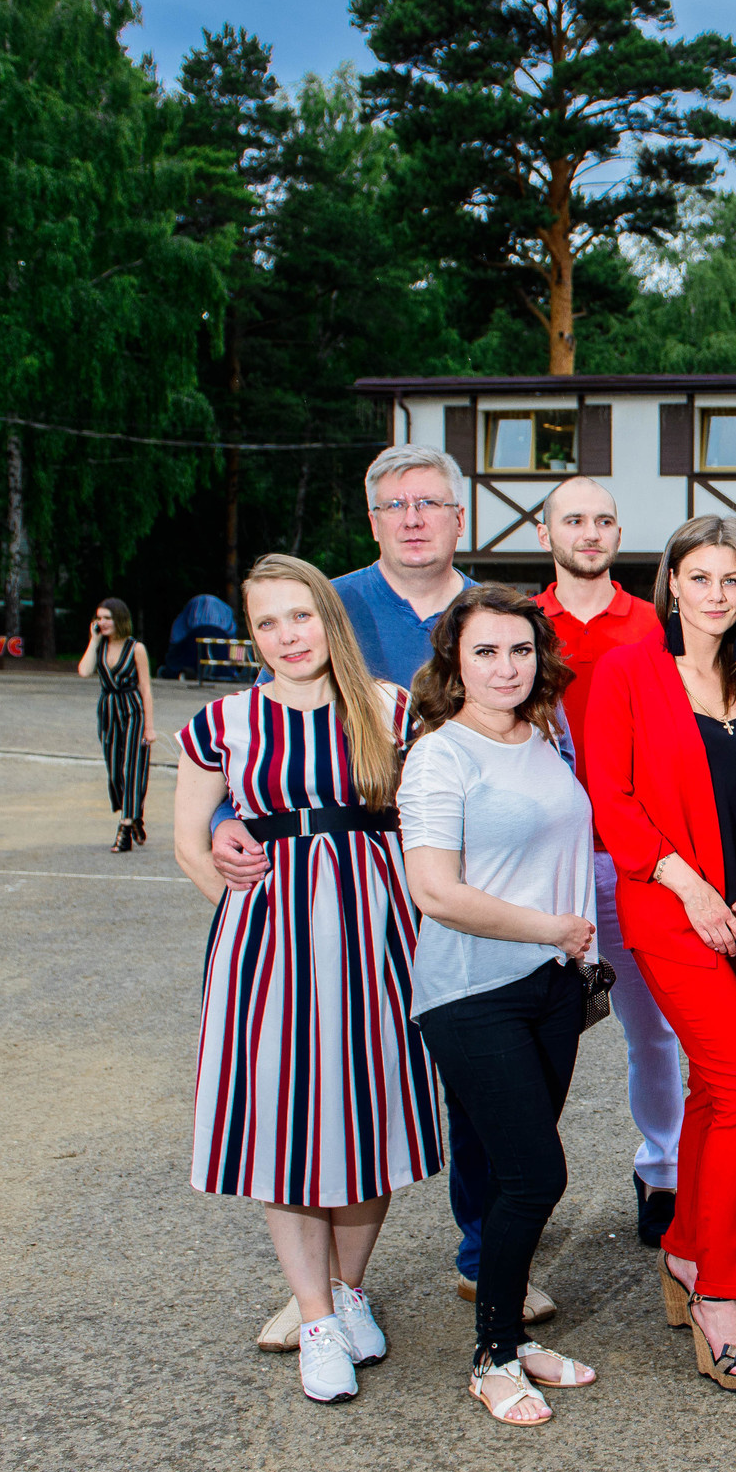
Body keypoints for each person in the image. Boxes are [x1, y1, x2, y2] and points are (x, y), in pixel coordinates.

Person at [210, 446, 538, 1353]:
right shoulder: (335, 600)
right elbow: (264, 746)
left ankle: (487, 1249)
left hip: (461, 883)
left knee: (476, 1079)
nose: (414, 517)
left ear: (459, 517)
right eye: (395, 504)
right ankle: (318, 1295)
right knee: (329, 1088)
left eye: (431, 501)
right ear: (372, 520)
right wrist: (221, 828)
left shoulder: (494, 613)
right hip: (350, 897)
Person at [170, 554, 439, 1405]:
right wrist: (259, 926)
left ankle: (350, 1291)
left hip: (379, 943)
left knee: (366, 1125)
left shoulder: (393, 712)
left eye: (302, 616)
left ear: (331, 618)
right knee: (288, 1133)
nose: (289, 635)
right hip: (270, 954)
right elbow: (187, 840)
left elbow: (433, 822)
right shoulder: (223, 723)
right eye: (269, 622)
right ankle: (316, 1317)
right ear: (252, 635)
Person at [587, 515, 736, 1393]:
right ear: (670, 584)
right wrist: (697, 891)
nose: (715, 595)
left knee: (715, 1087)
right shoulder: (631, 668)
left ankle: (681, 1251)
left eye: (731, 581)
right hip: (670, 912)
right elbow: (612, 795)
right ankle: (721, 1295)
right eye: (699, 578)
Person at [399, 587, 602, 1426]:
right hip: (473, 992)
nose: (505, 666)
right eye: (485, 652)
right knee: (534, 1174)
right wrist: (550, 924)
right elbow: (434, 890)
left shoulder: (545, 735)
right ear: (455, 663)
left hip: (552, 989)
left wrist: (563, 944)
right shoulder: (441, 755)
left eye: (519, 649)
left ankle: (509, 1335)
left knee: (509, 1176)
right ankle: (490, 1359)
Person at [531, 476, 687, 1251]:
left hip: (631, 857)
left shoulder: (654, 624)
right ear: (545, 532)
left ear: (618, 533)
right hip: (543, 866)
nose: (589, 532)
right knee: (532, 1035)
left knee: (653, 1031)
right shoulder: (522, 624)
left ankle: (661, 1171)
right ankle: (520, 1194)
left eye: (602, 520)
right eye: (573, 519)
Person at [77, 597, 155, 852]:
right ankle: (135, 816)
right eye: (99, 618)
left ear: (119, 619)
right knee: (114, 771)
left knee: (133, 767)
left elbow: (146, 689)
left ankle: (124, 828)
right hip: (108, 710)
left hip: (133, 709)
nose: (102, 622)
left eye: (107, 618)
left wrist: (149, 727)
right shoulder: (99, 646)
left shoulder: (136, 649)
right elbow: (84, 671)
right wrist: (94, 639)